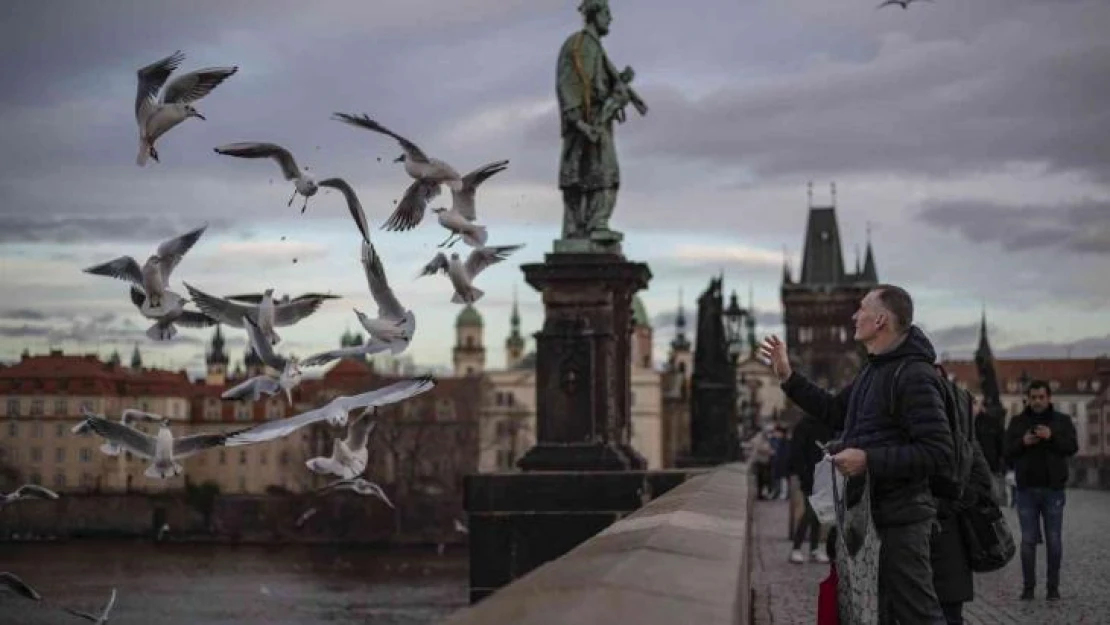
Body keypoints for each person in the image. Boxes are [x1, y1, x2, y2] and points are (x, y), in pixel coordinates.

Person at [759, 284, 953, 624]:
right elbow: (834, 411)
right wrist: (788, 377)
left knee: (917, 615)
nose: (854, 314)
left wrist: (868, 460)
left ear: (880, 320)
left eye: (861, 308)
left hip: (901, 519)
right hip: (870, 515)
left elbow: (938, 452)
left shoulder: (913, 375)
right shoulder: (874, 370)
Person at [1004, 379, 1078, 601]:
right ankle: (1028, 589)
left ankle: (1052, 588)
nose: (1037, 401)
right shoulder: (1017, 422)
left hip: (1053, 489)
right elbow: (1006, 451)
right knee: (1027, 541)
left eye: (1041, 397)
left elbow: (1072, 447)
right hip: (1026, 490)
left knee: (1054, 539)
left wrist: (1051, 436)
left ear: (1048, 398)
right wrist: (1023, 443)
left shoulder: (1061, 421)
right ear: (1028, 398)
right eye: (1033, 397)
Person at [789, 415, 834, 564]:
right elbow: (797, 451)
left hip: (823, 474)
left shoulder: (827, 424)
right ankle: (796, 548)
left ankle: (814, 550)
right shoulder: (804, 425)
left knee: (818, 512)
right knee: (811, 511)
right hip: (809, 476)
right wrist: (804, 474)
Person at [972, 394, 1008, 505]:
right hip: (989, 466)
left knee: (993, 498)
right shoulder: (993, 423)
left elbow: (1003, 446)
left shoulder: (977, 422)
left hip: (989, 466)